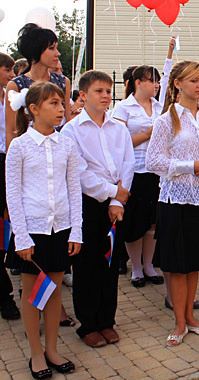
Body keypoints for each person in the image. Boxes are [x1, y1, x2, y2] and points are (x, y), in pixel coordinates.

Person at [146, 60, 199, 346]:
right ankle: (179, 321)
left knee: (194, 262)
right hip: (175, 199)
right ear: (178, 84)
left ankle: (190, 316)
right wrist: (189, 166)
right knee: (177, 264)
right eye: (194, 80)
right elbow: (152, 160)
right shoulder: (167, 119)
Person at [7, 82, 82, 378]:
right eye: (53, 103)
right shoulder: (20, 146)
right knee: (32, 294)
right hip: (33, 230)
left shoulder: (67, 143)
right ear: (34, 109)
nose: (61, 109)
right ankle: (36, 353)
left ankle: (52, 348)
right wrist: (21, 237)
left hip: (60, 228)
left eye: (61, 103)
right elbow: (13, 193)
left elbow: (73, 189)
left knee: (53, 293)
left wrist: (76, 230)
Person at [61, 70, 135, 348]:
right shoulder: (72, 130)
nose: (105, 96)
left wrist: (117, 201)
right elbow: (79, 173)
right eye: (98, 91)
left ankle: (107, 320)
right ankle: (88, 323)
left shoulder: (118, 128)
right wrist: (112, 192)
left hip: (116, 205)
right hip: (88, 205)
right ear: (82, 95)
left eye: (108, 91)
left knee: (109, 264)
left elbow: (127, 163)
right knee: (87, 265)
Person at [112, 65, 164, 288]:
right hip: (133, 170)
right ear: (138, 83)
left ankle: (149, 265)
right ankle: (136, 268)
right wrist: (146, 135)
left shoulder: (159, 106)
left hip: (155, 170)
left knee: (151, 220)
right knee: (134, 222)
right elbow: (119, 142)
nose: (156, 85)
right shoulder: (123, 107)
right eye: (151, 80)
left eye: (158, 81)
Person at [5, 23, 71, 149]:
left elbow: (67, 123)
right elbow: (12, 131)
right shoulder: (16, 85)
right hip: (28, 152)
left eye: (57, 48)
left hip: (57, 149)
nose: (57, 53)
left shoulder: (63, 82)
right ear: (36, 50)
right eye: (51, 48)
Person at [0, 52, 20, 321]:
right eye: (8, 70)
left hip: (6, 161)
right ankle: (5, 297)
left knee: (7, 222)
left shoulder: (11, 97)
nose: (12, 75)